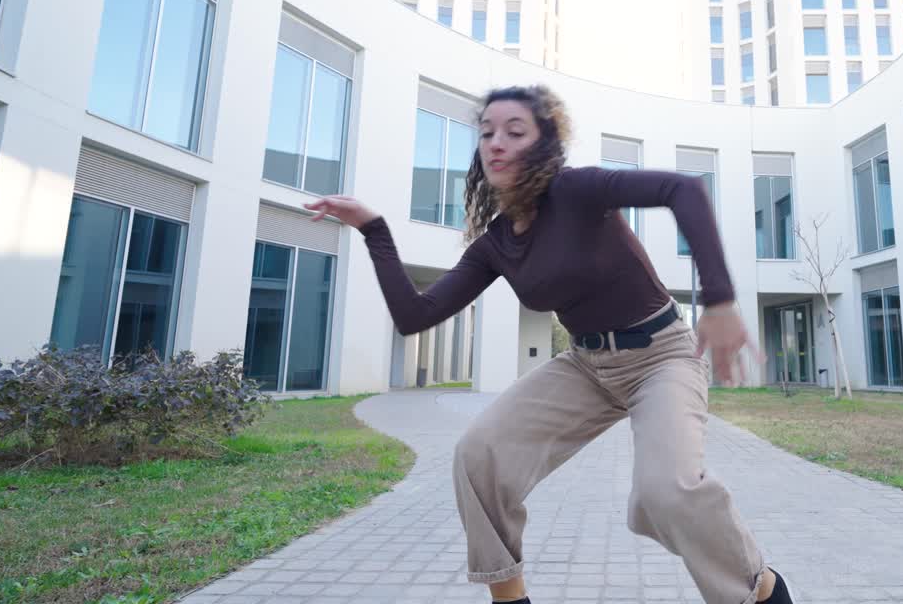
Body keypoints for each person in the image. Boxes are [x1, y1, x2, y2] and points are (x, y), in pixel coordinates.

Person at [305, 85, 796, 604]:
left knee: (665, 493)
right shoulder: (495, 243)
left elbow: (685, 190)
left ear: (544, 145)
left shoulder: (578, 191)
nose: (496, 142)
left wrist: (718, 301)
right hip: (586, 367)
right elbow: (415, 314)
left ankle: (759, 588)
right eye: (487, 132)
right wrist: (374, 229)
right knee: (480, 455)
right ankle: (510, 599)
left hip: (661, 355)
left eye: (515, 131)